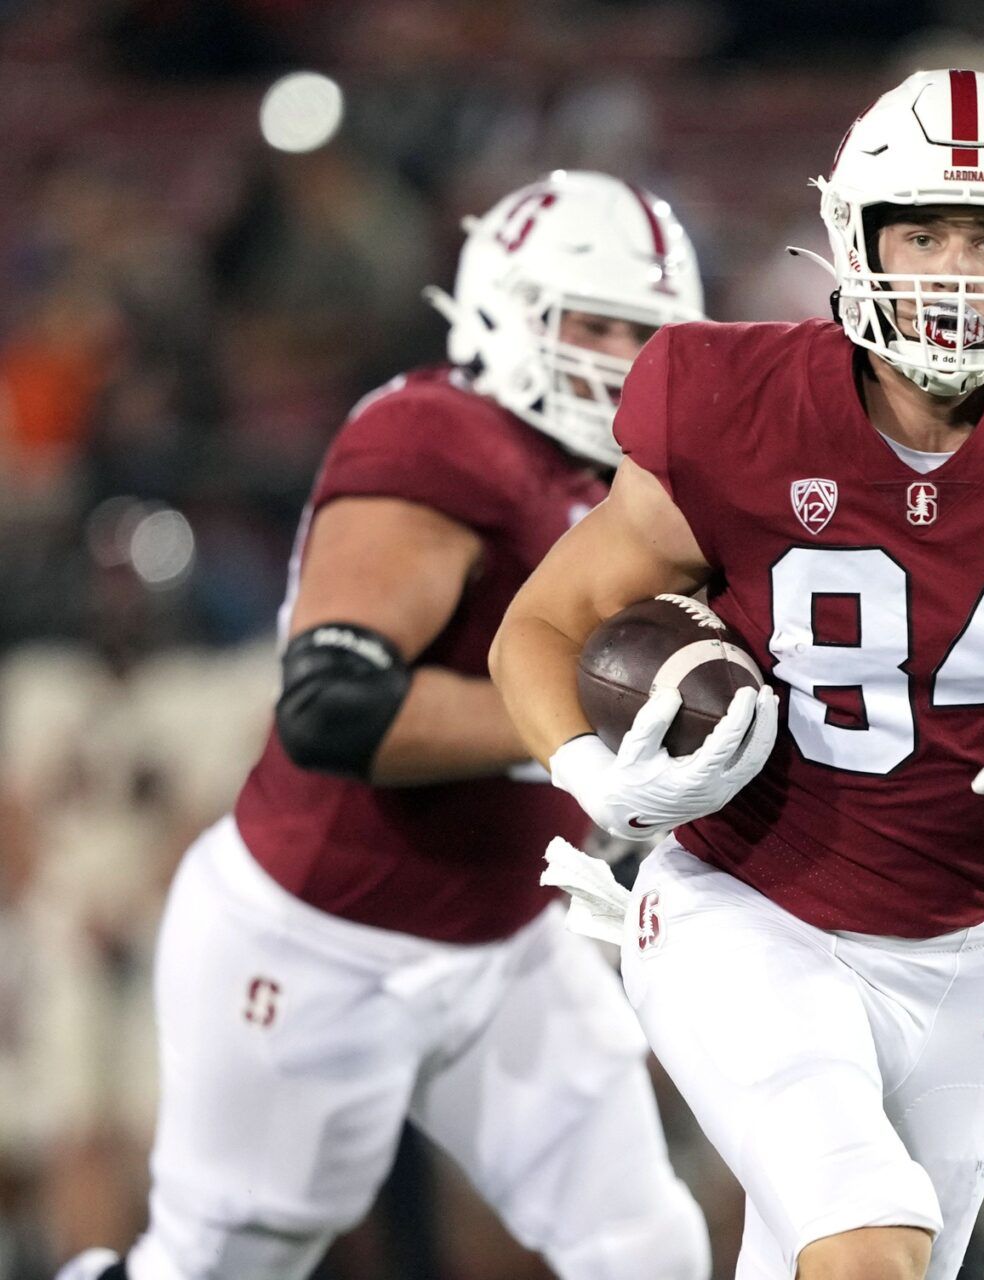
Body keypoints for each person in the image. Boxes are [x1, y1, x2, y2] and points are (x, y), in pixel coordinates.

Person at [493, 69, 984, 1280]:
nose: (956, 270)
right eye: (924, 232)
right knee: (872, 1244)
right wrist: (597, 776)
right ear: (860, 239)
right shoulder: (735, 406)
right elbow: (537, 629)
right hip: (749, 913)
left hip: (977, 949)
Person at [57, 171, 713, 1280]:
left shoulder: (647, 483)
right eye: (589, 321)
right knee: (227, 1263)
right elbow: (336, 702)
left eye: (644, 332)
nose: (617, 355)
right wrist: (582, 724)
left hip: (506, 938)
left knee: (646, 1245)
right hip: (320, 938)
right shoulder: (439, 438)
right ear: (504, 310)